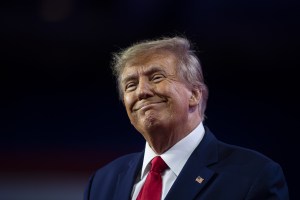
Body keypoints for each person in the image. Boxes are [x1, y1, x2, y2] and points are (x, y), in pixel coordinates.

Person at [84, 36, 289, 200]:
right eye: (131, 85)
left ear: (194, 94)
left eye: (156, 77)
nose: (142, 92)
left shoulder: (254, 176)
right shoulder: (102, 182)